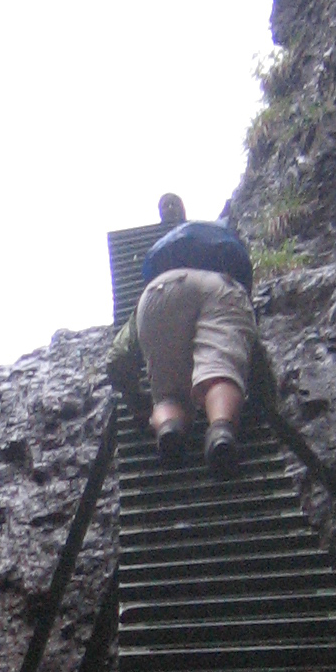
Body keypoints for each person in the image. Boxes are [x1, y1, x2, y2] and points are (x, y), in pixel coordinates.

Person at [133, 193, 257, 476]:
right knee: (220, 367)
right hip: (220, 284)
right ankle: (221, 433)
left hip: (158, 291)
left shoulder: (162, 261)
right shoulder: (217, 243)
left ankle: (170, 429)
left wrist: (135, 397)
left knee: (168, 395)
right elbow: (251, 351)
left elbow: (121, 353)